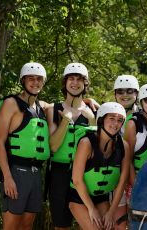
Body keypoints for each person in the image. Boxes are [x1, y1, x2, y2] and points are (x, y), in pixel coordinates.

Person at [0, 62, 50, 229]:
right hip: (16, 172)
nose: (35, 82)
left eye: (39, 79)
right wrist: (7, 178)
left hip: (35, 173)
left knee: (27, 225)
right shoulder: (11, 104)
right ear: (23, 81)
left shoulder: (41, 107)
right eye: (31, 79)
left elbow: (63, 106)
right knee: (11, 225)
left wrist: (88, 100)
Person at [46, 63, 96, 230]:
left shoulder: (94, 110)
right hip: (59, 173)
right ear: (65, 82)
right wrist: (66, 121)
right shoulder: (54, 109)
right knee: (61, 225)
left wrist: (93, 121)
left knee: (89, 223)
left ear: (85, 84)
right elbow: (53, 147)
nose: (75, 83)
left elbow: (99, 145)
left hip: (85, 173)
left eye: (79, 80)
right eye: (71, 79)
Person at [69, 102, 130, 230]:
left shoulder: (123, 146)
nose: (115, 124)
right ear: (101, 120)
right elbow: (77, 180)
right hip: (78, 196)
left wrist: (111, 212)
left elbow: (123, 181)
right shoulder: (87, 143)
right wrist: (91, 209)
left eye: (120, 120)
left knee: (109, 227)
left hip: (102, 197)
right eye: (111, 118)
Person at [111, 74, 140, 229]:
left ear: (136, 93)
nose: (125, 95)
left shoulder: (144, 115)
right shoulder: (108, 115)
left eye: (129, 91)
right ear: (115, 94)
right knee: (119, 224)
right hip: (115, 177)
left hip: (137, 175)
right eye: (120, 91)